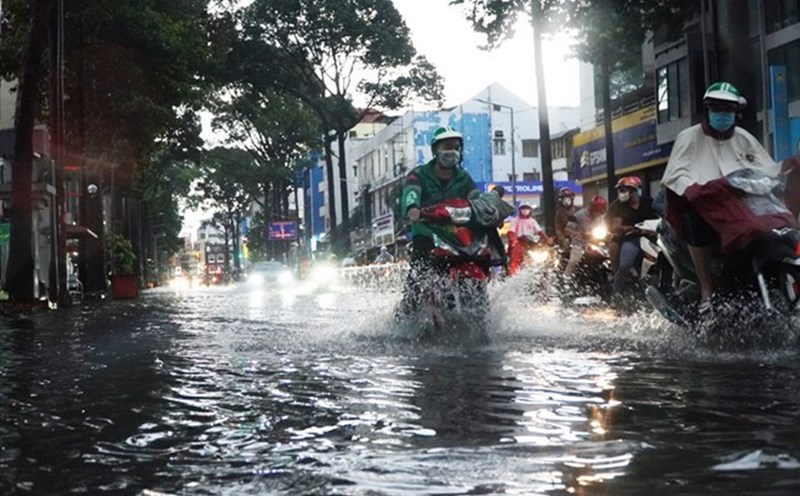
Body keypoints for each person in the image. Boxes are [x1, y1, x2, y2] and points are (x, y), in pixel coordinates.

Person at [661, 81, 780, 309]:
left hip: (739, 204)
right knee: (696, 222)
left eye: (727, 110)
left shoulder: (744, 138)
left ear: (736, 113)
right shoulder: (689, 137)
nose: (722, 114)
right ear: (708, 110)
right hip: (702, 203)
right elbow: (676, 173)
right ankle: (707, 288)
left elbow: (768, 168)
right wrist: (693, 189)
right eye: (716, 109)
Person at [398, 126, 481, 314]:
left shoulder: (464, 177)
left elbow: (475, 197)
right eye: (447, 146)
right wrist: (412, 208)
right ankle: (408, 308)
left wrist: (488, 210)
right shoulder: (419, 174)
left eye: (456, 147)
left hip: (456, 235)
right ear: (435, 150)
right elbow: (411, 192)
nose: (452, 151)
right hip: (427, 234)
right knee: (418, 273)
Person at [607, 176, 659, 299]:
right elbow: (615, 226)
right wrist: (627, 229)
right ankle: (617, 294)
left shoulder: (648, 202)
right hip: (631, 239)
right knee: (625, 265)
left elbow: (660, 216)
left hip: (651, 238)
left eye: (624, 190)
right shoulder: (619, 206)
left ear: (634, 191)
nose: (622, 193)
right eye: (620, 191)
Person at [563, 195, 608, 278]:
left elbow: (605, 228)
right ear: (592, 207)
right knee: (574, 260)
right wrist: (577, 233)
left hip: (597, 243)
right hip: (580, 243)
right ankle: (566, 278)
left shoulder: (600, 217)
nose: (599, 213)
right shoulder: (578, 216)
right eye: (598, 210)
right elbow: (567, 230)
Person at [506, 203, 551, 275]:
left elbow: (540, 231)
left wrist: (547, 239)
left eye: (527, 208)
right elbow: (511, 232)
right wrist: (514, 240)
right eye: (523, 209)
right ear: (520, 210)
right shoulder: (516, 220)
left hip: (531, 244)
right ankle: (513, 274)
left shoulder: (532, 221)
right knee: (515, 257)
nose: (525, 210)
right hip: (519, 243)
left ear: (530, 210)